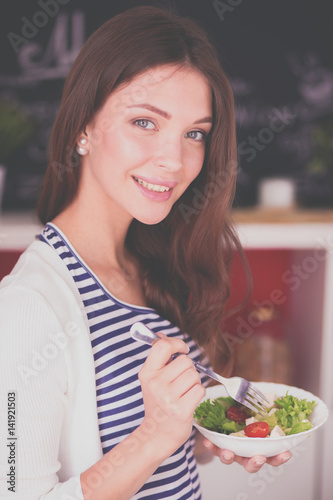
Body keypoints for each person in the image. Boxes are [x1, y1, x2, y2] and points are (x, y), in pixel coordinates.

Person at [0, 6, 291, 499]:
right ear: (82, 128)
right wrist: (156, 435)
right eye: (144, 122)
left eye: (194, 133)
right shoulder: (28, 308)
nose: (174, 161)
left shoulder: (153, 261)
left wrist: (210, 434)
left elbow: (155, 449)